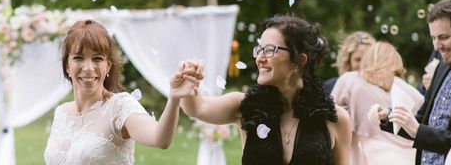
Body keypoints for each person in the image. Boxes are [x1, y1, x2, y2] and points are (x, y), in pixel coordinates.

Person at [179, 14, 352, 164]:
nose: (260, 58)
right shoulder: (244, 106)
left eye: (270, 50)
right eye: (259, 49)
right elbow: (197, 108)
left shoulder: (336, 119)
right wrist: (188, 85)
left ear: (300, 60)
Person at [44, 19, 199, 165]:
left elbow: (160, 139)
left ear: (108, 66)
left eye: (97, 59)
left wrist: (173, 99)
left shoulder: (119, 107)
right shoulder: (61, 112)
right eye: (79, 58)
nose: (89, 68)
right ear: (67, 66)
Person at [375, 0, 451, 164]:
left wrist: (418, 131)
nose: (436, 46)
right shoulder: (442, 66)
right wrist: (390, 117)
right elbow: (422, 121)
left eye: (443, 37)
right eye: (433, 38)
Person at [332, 41, 423, 164]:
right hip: (411, 159)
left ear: (368, 59)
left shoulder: (350, 81)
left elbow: (330, 117)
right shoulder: (414, 94)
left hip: (370, 158)